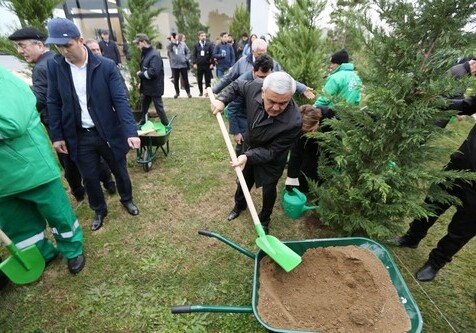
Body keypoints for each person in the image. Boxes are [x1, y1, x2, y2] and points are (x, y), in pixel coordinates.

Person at [46, 18, 140, 232]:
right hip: (79, 135)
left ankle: (127, 199)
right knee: (89, 176)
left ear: (80, 40)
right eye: (58, 47)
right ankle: (99, 210)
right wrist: (57, 135)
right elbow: (53, 101)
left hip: (107, 132)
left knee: (120, 170)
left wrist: (130, 131)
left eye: (67, 45)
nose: (63, 51)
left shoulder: (105, 66)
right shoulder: (55, 66)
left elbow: (120, 100)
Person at [8, 28, 116, 201]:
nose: (20, 51)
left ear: (40, 45)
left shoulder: (44, 67)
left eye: (23, 46)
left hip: (61, 125)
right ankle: (108, 183)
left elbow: (41, 99)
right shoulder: (56, 61)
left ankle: (78, 192)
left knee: (70, 161)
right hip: (74, 125)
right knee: (90, 157)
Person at [0, 65, 85, 274]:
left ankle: (73, 249)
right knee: (18, 223)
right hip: (3, 181)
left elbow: (13, 123)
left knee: (57, 213)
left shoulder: (5, 82)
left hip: (30, 168)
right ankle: (42, 253)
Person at [389, 94, 476, 282]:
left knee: (462, 229)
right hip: (458, 167)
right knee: (431, 204)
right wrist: (434, 100)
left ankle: (435, 263)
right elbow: (466, 104)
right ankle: (412, 237)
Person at [211, 72, 302, 234]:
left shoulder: (294, 121)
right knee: (243, 181)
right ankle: (239, 205)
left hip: (272, 158)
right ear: (263, 92)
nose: (276, 107)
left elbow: (273, 151)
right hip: (250, 145)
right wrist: (222, 100)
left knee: (269, 189)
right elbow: (237, 85)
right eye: (271, 101)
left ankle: (265, 219)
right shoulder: (253, 87)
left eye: (283, 103)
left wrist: (248, 156)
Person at [133, 33, 168, 126]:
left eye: (138, 44)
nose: (137, 46)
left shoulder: (154, 55)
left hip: (155, 87)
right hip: (147, 87)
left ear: (143, 42)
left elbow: (153, 72)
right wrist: (142, 83)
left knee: (159, 107)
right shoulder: (145, 53)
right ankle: (143, 121)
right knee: (144, 106)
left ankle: (165, 124)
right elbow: (145, 68)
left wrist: (141, 75)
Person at [167, 33, 192, 98]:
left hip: (183, 65)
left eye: (176, 36)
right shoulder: (170, 45)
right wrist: (172, 42)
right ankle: (177, 93)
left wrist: (186, 59)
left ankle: (188, 92)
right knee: (176, 80)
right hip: (174, 66)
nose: (175, 37)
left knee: (185, 79)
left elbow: (188, 52)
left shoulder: (183, 44)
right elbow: (169, 49)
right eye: (174, 36)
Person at [192, 31, 214, 97]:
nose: (203, 37)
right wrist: (194, 63)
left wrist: (212, 63)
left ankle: (208, 92)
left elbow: (212, 54)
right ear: (199, 37)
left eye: (204, 36)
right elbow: (194, 55)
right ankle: (200, 92)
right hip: (199, 65)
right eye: (202, 36)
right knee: (199, 79)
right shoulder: (196, 45)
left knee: (208, 80)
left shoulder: (209, 44)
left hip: (207, 65)